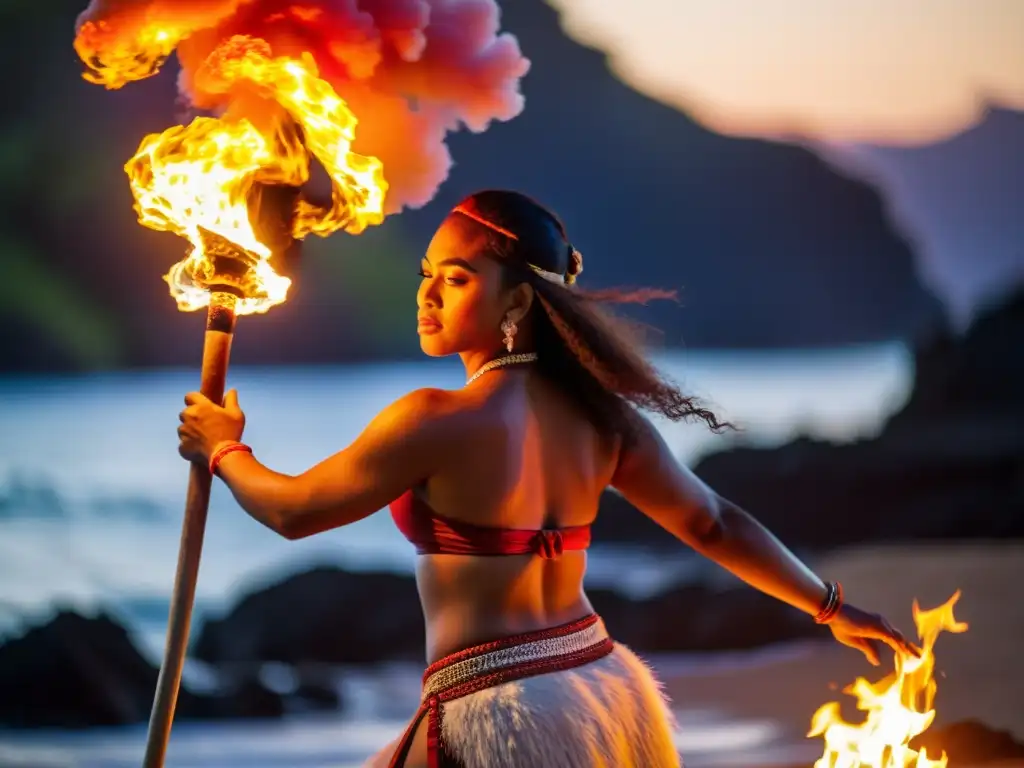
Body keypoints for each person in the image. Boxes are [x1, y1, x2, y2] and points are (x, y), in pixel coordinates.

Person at [177, 189, 921, 768]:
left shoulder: (434, 418)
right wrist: (827, 606)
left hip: (501, 714)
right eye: (426, 274)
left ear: (518, 302)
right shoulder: (606, 422)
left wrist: (224, 449)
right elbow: (713, 523)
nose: (427, 293)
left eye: (457, 277)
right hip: (600, 686)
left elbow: (295, 512)